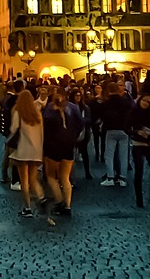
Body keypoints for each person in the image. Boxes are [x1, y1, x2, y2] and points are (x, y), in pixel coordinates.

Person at [42, 87, 80, 218]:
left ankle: (59, 201)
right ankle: (68, 206)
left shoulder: (49, 113)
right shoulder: (71, 112)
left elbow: (45, 131)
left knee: (51, 177)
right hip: (68, 146)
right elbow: (79, 125)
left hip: (53, 147)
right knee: (65, 178)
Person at [10, 90, 45, 219]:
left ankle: (28, 208)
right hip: (36, 150)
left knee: (24, 181)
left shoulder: (19, 113)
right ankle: (41, 198)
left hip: (23, 150)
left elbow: (13, 129)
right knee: (33, 179)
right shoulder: (38, 115)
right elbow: (42, 134)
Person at [129, 95, 150, 208]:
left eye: (148, 101)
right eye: (143, 100)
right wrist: (137, 132)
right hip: (138, 144)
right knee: (139, 171)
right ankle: (139, 199)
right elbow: (126, 127)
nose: (145, 103)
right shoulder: (134, 112)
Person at [99, 83, 132, 187]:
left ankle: (110, 177)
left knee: (109, 155)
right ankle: (122, 178)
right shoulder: (125, 102)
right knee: (123, 155)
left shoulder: (106, 103)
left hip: (110, 129)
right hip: (124, 130)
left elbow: (102, 116)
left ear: (108, 90)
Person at [0, 80, 25, 189]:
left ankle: (5, 175)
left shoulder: (7, 99)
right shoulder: (17, 100)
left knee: (8, 153)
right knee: (13, 155)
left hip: (9, 131)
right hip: (15, 131)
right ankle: (14, 179)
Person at [69, 88, 94, 181]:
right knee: (71, 155)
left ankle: (87, 172)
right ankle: (71, 175)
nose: (78, 97)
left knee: (84, 152)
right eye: (76, 95)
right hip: (72, 133)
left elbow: (89, 119)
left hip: (83, 132)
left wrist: (80, 120)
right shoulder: (69, 107)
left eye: (79, 95)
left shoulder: (85, 108)